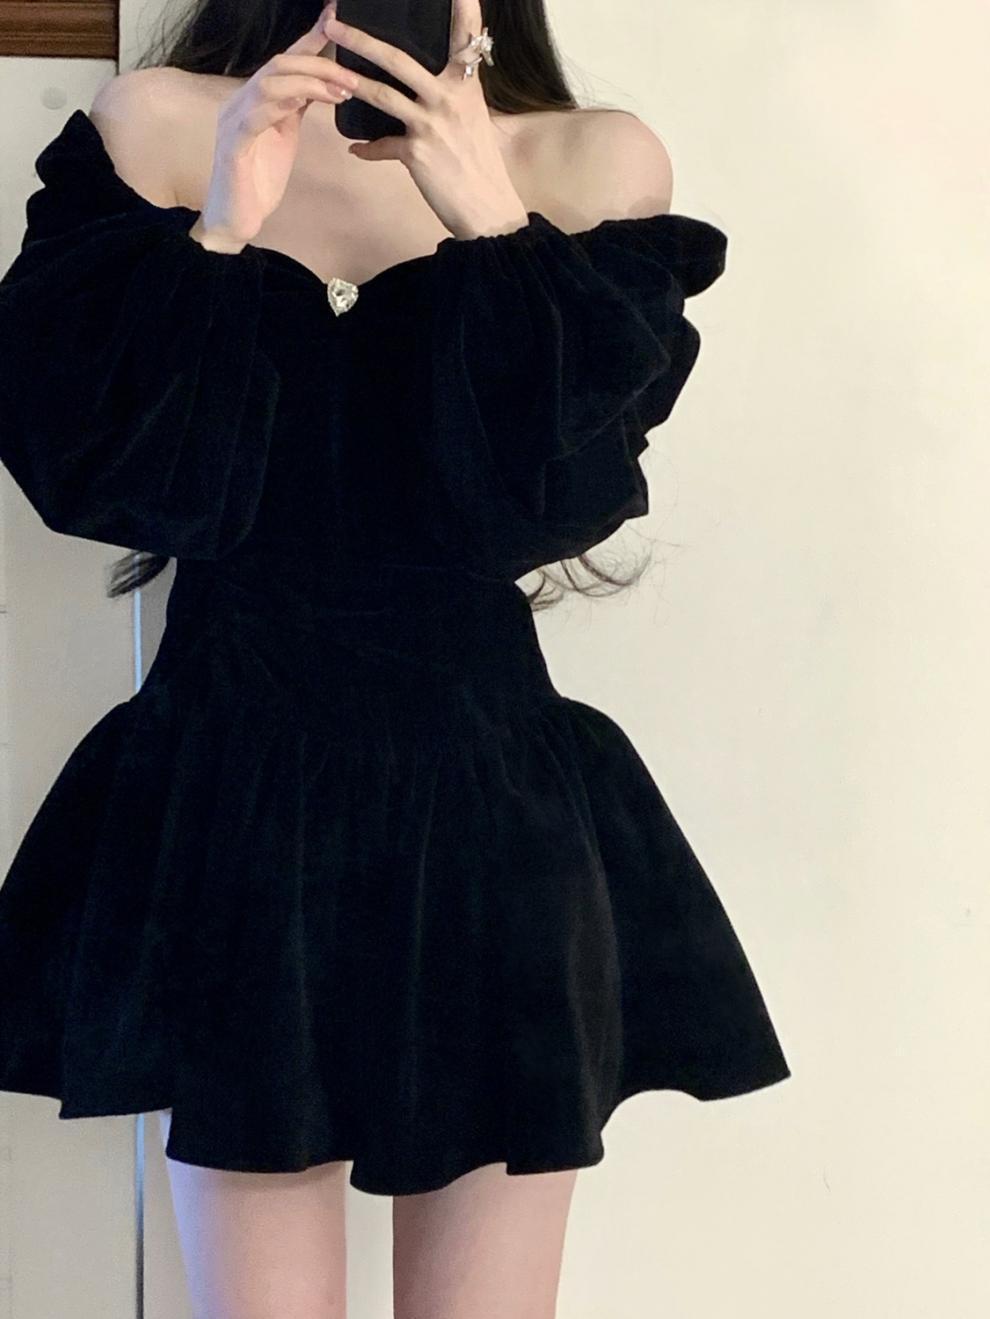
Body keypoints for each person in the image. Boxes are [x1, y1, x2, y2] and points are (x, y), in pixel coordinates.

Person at [0, 0, 791, 1314]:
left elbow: (546, 510)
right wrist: (220, 227)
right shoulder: (158, 128)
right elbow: (109, 481)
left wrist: (492, 228)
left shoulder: (588, 161)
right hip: (231, 803)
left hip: (489, 813)